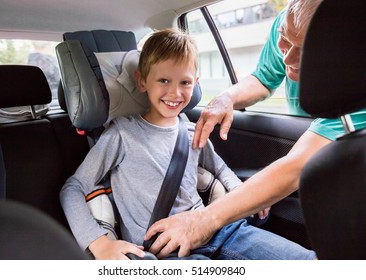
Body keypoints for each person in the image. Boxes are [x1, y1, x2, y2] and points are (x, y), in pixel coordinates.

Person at [60, 28, 315, 260]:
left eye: (185, 82)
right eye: (163, 81)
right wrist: (99, 244)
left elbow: (222, 171)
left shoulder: (192, 130)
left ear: (195, 83)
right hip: (163, 251)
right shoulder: (122, 135)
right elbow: (73, 188)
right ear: (141, 81)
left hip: (218, 230)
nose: (176, 93)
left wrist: (246, 196)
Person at [143, 0, 366, 259]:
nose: (287, 57)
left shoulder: (356, 93)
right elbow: (263, 77)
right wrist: (227, 98)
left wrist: (202, 221)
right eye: (285, 39)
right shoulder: (289, 21)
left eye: (305, 50)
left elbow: (295, 168)